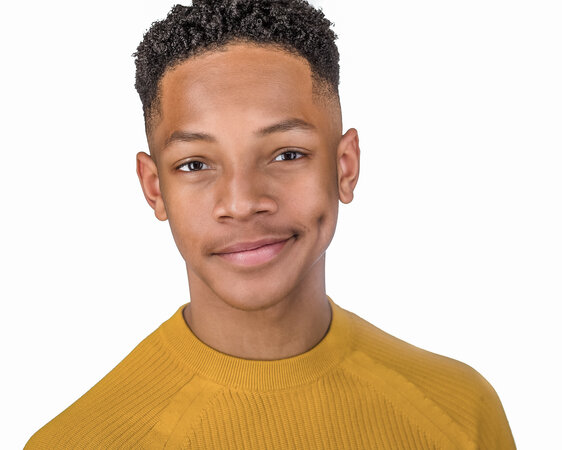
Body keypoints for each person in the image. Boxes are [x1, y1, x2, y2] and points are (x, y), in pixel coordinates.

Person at [25, 0, 515, 448]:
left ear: (344, 167)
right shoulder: (74, 443)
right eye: (195, 164)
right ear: (155, 188)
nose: (241, 203)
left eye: (286, 154)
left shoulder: (460, 413)